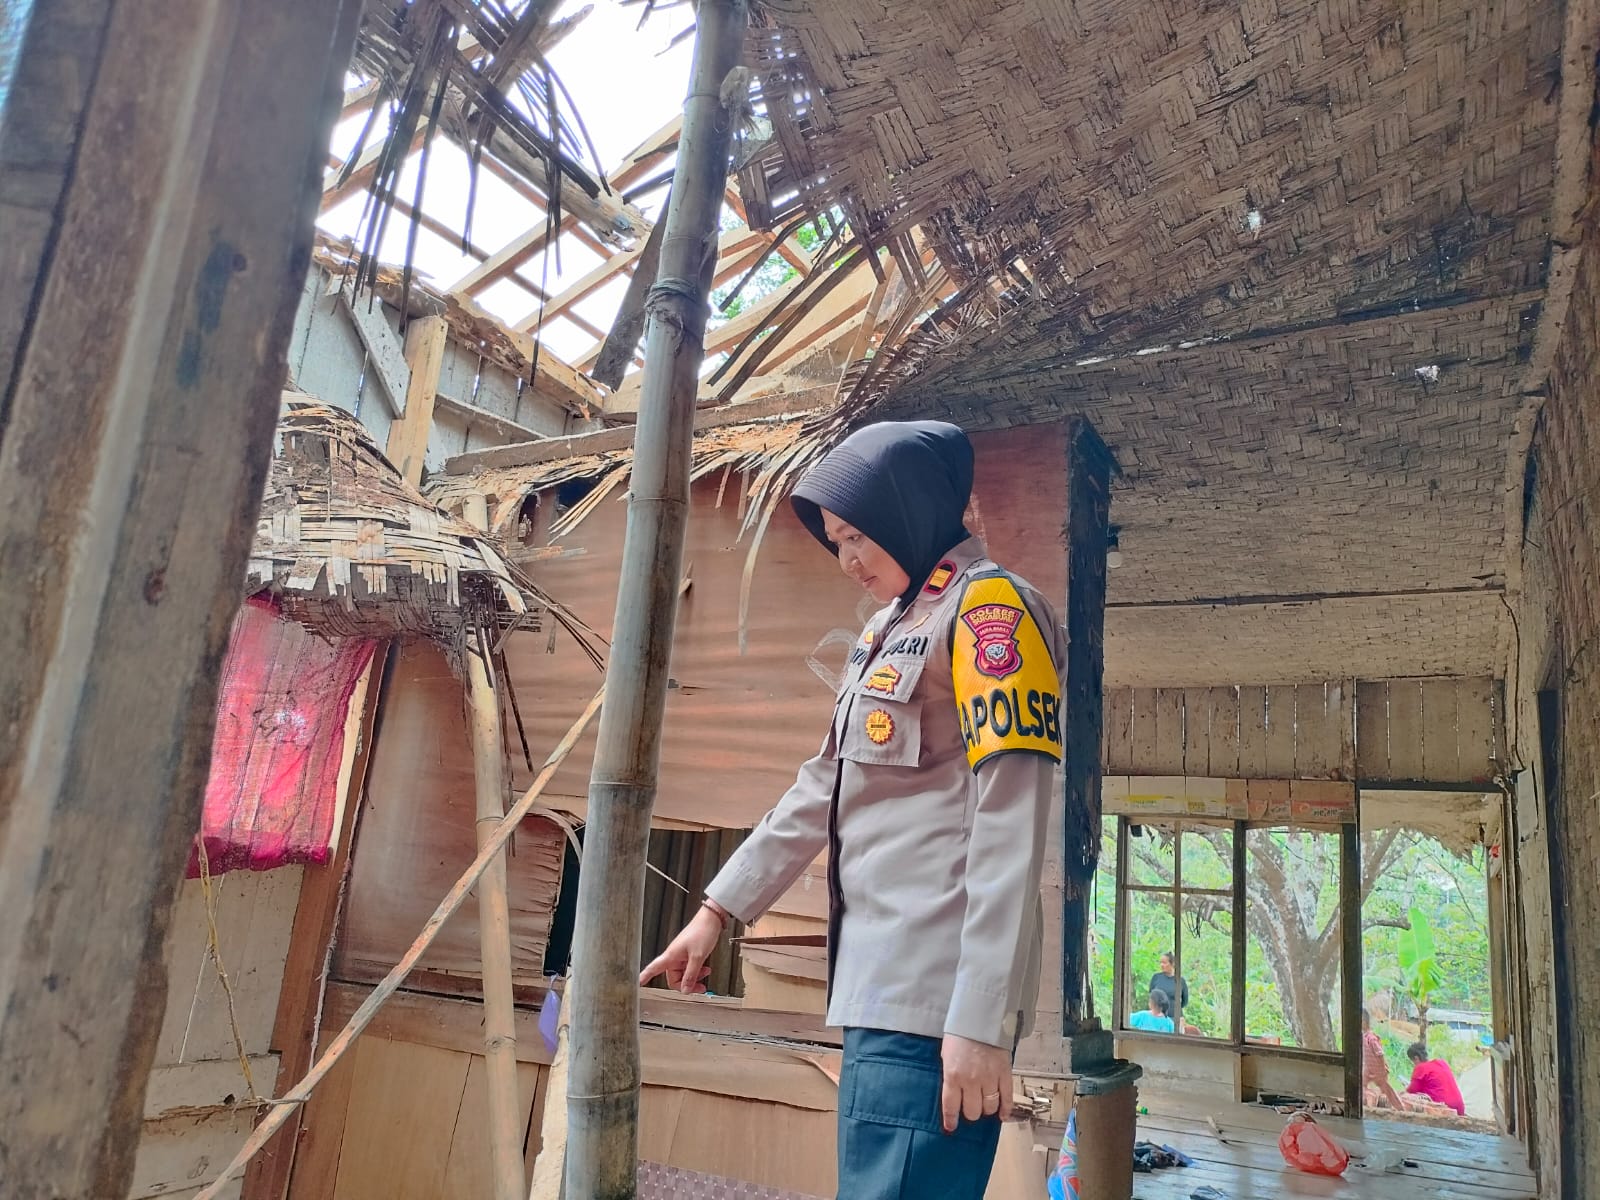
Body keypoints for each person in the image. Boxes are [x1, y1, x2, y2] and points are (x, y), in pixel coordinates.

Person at [641, 421, 1065, 1200]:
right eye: (837, 542)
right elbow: (824, 785)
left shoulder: (989, 612)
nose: (848, 561)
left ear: (910, 511)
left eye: (859, 536)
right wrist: (717, 911)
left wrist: (978, 1020)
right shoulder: (888, 630)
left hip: (935, 1007)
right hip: (880, 992)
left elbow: (1011, 821)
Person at [1404, 1042, 1466, 1116]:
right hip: (1459, 1107)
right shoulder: (1442, 1063)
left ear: (1416, 1058)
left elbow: (1411, 1091)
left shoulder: (1421, 1068)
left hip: (1444, 1109)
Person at [1362, 1008, 1403, 1109]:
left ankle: (1399, 1107)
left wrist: (1383, 1068)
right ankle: (1368, 1106)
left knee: (1386, 1089)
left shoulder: (1371, 1038)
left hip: (1378, 1070)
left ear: (1363, 1022)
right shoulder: (1364, 1037)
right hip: (1368, 1069)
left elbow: (1380, 1054)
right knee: (1361, 1085)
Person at [1149, 952, 1188, 1030]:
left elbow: (1185, 1001)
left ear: (1172, 964)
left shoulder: (1180, 981)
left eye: (1164, 963)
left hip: (1175, 1018)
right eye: (1160, 962)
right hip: (1157, 1017)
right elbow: (1151, 995)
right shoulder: (1156, 978)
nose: (1161, 965)